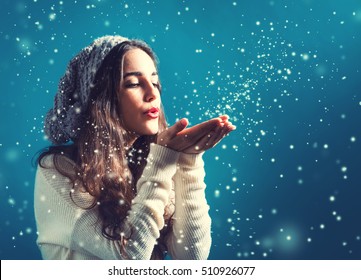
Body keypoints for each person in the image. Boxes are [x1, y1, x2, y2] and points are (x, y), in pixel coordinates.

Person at [34, 35, 236, 260]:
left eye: (155, 82)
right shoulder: (57, 170)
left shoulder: (153, 162)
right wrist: (162, 162)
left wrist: (189, 160)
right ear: (101, 98)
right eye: (133, 83)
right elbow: (129, 261)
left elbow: (192, 260)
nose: (153, 94)